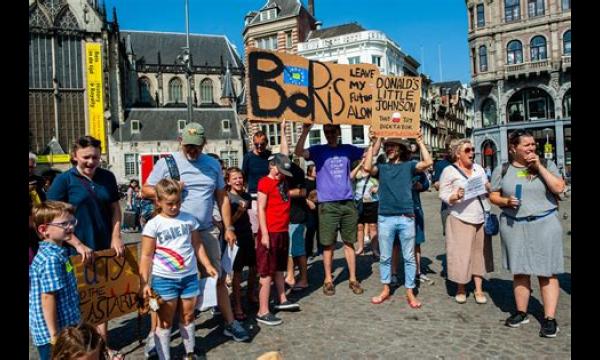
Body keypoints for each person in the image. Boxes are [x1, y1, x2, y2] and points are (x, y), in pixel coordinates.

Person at [142, 122, 250, 342]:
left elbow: (221, 197)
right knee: (164, 284)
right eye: (188, 146)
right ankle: (156, 332)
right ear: (181, 141)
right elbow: (146, 189)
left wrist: (228, 227)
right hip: (174, 233)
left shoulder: (211, 164)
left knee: (217, 276)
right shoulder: (167, 163)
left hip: (206, 230)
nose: (192, 150)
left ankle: (230, 322)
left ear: (204, 143)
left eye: (196, 146)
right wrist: (170, 188)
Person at [47, 135, 123, 359]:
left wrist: (116, 236)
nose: (91, 162)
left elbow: (115, 209)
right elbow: (53, 216)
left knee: (100, 300)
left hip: (103, 248)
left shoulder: (107, 177)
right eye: (86, 157)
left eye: (96, 157)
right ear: (74, 156)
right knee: (79, 301)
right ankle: (78, 349)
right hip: (74, 252)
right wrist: (77, 243)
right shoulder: (64, 180)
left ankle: (102, 347)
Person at [489, 129, 566, 338]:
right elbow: (493, 195)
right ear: (514, 148)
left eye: (533, 145)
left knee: (546, 271)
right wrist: (505, 201)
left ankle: (549, 319)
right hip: (514, 225)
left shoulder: (547, 165)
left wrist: (539, 166)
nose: (532, 148)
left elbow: (559, 188)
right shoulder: (503, 169)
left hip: (544, 224)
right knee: (520, 271)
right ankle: (521, 312)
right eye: (527, 145)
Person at [139, 179, 218, 360]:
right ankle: (164, 356)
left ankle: (189, 352)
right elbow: (146, 255)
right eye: (169, 204)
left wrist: (207, 265)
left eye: (178, 202)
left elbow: (197, 245)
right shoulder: (154, 224)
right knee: (165, 321)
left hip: (189, 277)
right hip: (164, 280)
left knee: (188, 316)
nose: (174, 207)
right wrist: (143, 282)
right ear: (158, 201)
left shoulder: (189, 219)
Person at [295, 123, 366, 296]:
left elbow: (369, 152)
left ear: (339, 132)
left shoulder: (348, 149)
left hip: (347, 201)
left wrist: (376, 135)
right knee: (328, 244)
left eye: (332, 131)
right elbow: (298, 152)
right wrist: (305, 131)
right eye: (327, 132)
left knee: (349, 242)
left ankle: (352, 278)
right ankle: (328, 279)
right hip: (327, 204)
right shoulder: (318, 150)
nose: (330, 134)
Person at [364, 132, 432, 308]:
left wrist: (420, 142)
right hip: (385, 217)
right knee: (385, 256)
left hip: (406, 217)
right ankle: (386, 288)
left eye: (392, 146)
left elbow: (428, 163)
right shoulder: (382, 166)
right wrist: (373, 144)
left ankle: (410, 290)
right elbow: (366, 168)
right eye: (387, 146)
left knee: (409, 257)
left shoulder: (409, 166)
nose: (389, 148)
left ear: (400, 149)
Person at [255, 120, 301, 326]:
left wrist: (282, 130)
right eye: (280, 169)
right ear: (272, 166)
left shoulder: (281, 178)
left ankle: (281, 298)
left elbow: (284, 153)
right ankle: (262, 310)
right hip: (270, 231)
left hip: (282, 230)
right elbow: (260, 210)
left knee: (280, 268)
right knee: (266, 273)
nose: (283, 172)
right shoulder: (264, 182)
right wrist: (264, 234)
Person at [438, 138, 494, 305]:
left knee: (480, 254)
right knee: (461, 255)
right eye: (468, 150)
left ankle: (478, 289)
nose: (472, 153)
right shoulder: (449, 171)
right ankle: (461, 288)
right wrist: (455, 196)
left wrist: (489, 188)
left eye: (473, 150)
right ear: (457, 154)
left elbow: (486, 188)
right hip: (460, 217)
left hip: (480, 217)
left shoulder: (479, 168)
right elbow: (443, 193)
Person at [30, 201, 81, 360]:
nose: (70, 227)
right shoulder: (51, 259)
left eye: (72, 222)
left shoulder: (58, 252)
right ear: (44, 230)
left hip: (64, 326)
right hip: (54, 333)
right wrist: (54, 335)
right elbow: (47, 297)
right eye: (64, 224)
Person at [225, 167, 258, 321]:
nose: (238, 181)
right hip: (235, 238)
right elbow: (227, 223)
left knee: (254, 267)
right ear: (228, 181)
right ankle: (237, 304)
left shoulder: (246, 196)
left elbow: (248, 218)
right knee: (237, 272)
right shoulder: (227, 198)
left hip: (247, 235)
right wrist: (238, 212)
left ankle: (251, 294)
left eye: (240, 178)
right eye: (234, 178)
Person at [285, 157, 309, 291]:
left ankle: (300, 278)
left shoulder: (296, 172)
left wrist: (285, 193)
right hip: (289, 216)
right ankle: (291, 275)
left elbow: (303, 191)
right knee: (290, 249)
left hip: (296, 216)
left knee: (297, 250)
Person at [242, 131, 272, 236]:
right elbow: (243, 177)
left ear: (267, 143)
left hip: (269, 196)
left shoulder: (270, 156)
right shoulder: (248, 157)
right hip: (254, 196)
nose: (259, 147)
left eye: (262, 144)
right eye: (256, 144)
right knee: (255, 230)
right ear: (253, 143)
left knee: (269, 228)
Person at [350, 153, 379, 257]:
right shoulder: (356, 170)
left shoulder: (374, 169)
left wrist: (377, 188)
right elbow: (351, 177)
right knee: (359, 226)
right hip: (359, 201)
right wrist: (360, 165)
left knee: (373, 226)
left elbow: (381, 179)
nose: (365, 159)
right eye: (363, 157)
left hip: (372, 201)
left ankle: (375, 249)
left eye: (367, 157)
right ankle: (360, 248)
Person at [304, 164, 321, 257]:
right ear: (309, 172)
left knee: (320, 229)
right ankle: (308, 251)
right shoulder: (305, 182)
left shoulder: (319, 181)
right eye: (315, 171)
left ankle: (320, 249)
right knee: (310, 229)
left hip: (319, 208)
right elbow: (302, 196)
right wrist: (308, 202)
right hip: (309, 210)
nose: (317, 172)